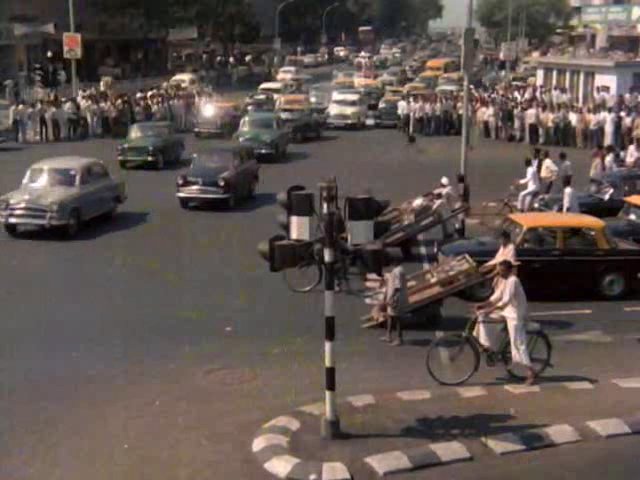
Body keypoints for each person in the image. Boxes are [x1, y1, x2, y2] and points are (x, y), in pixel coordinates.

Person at [473, 260, 536, 385]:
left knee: (518, 343)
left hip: (516, 314)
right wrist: (482, 305)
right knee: (482, 317)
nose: (499, 273)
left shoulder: (513, 280)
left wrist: (489, 309)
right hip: (507, 311)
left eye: (502, 271)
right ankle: (488, 345)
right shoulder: (504, 280)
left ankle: (531, 372)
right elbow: (496, 297)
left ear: (508, 270)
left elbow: (505, 301)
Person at [381, 256, 408, 346]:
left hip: (396, 298)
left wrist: (390, 297)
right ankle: (388, 335)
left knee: (397, 318)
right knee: (390, 316)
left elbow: (397, 286)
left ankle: (399, 339)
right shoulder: (398, 270)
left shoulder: (397, 272)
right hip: (395, 297)